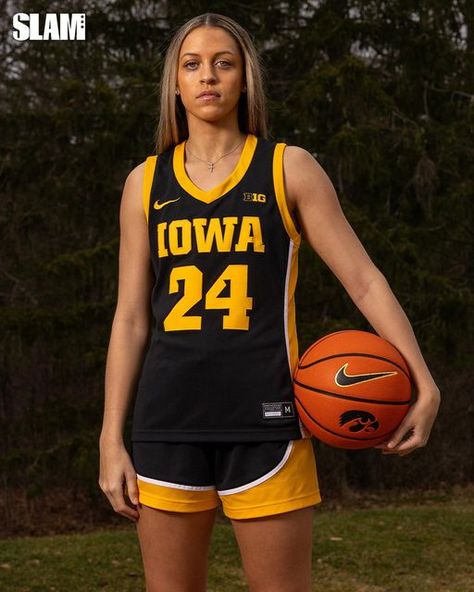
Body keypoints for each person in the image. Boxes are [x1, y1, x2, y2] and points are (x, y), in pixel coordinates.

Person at [99, 12, 441, 592]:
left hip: (268, 419)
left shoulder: (288, 168)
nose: (208, 76)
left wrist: (423, 379)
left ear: (245, 79)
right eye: (192, 64)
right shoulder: (146, 182)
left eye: (223, 63)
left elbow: (363, 280)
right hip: (166, 422)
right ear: (175, 83)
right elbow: (131, 317)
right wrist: (111, 437)